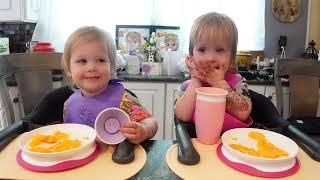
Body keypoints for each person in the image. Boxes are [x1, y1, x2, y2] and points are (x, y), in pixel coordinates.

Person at [62, 26, 157, 144]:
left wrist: (144, 130)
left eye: (101, 60)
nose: (91, 67)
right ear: (69, 69)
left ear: (112, 67)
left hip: (117, 160)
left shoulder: (124, 99)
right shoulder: (68, 105)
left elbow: (151, 122)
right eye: (82, 61)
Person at [175, 12, 253, 133]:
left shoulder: (237, 82)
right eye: (202, 49)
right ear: (191, 55)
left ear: (231, 57)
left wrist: (219, 82)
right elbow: (182, 116)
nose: (210, 57)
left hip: (232, 143)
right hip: (198, 145)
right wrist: (196, 81)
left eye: (220, 50)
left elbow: (243, 113)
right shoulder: (187, 86)